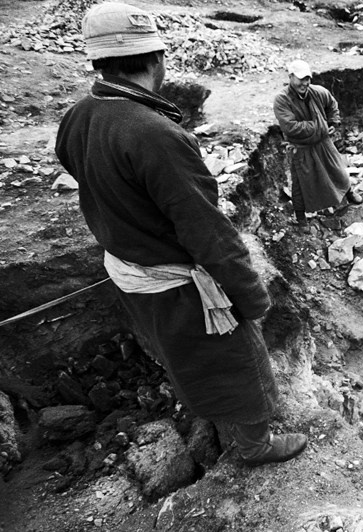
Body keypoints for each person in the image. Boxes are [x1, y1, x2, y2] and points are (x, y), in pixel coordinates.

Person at [54, 2, 307, 466]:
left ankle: (214, 417)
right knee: (238, 356)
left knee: (183, 353)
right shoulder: (155, 134)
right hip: (174, 280)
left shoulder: (79, 114)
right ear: (157, 60)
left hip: (129, 268)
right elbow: (207, 230)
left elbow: (76, 168)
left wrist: (129, 218)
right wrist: (251, 298)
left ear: (99, 62)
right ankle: (254, 444)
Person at [273, 59, 362, 228]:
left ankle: (349, 192)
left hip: (323, 142)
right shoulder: (282, 100)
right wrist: (321, 126)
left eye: (307, 78)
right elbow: (291, 127)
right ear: (290, 77)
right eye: (301, 79)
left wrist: (333, 122)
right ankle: (300, 217)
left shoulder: (318, 92)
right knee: (300, 185)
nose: (305, 83)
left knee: (338, 170)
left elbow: (332, 105)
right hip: (301, 148)